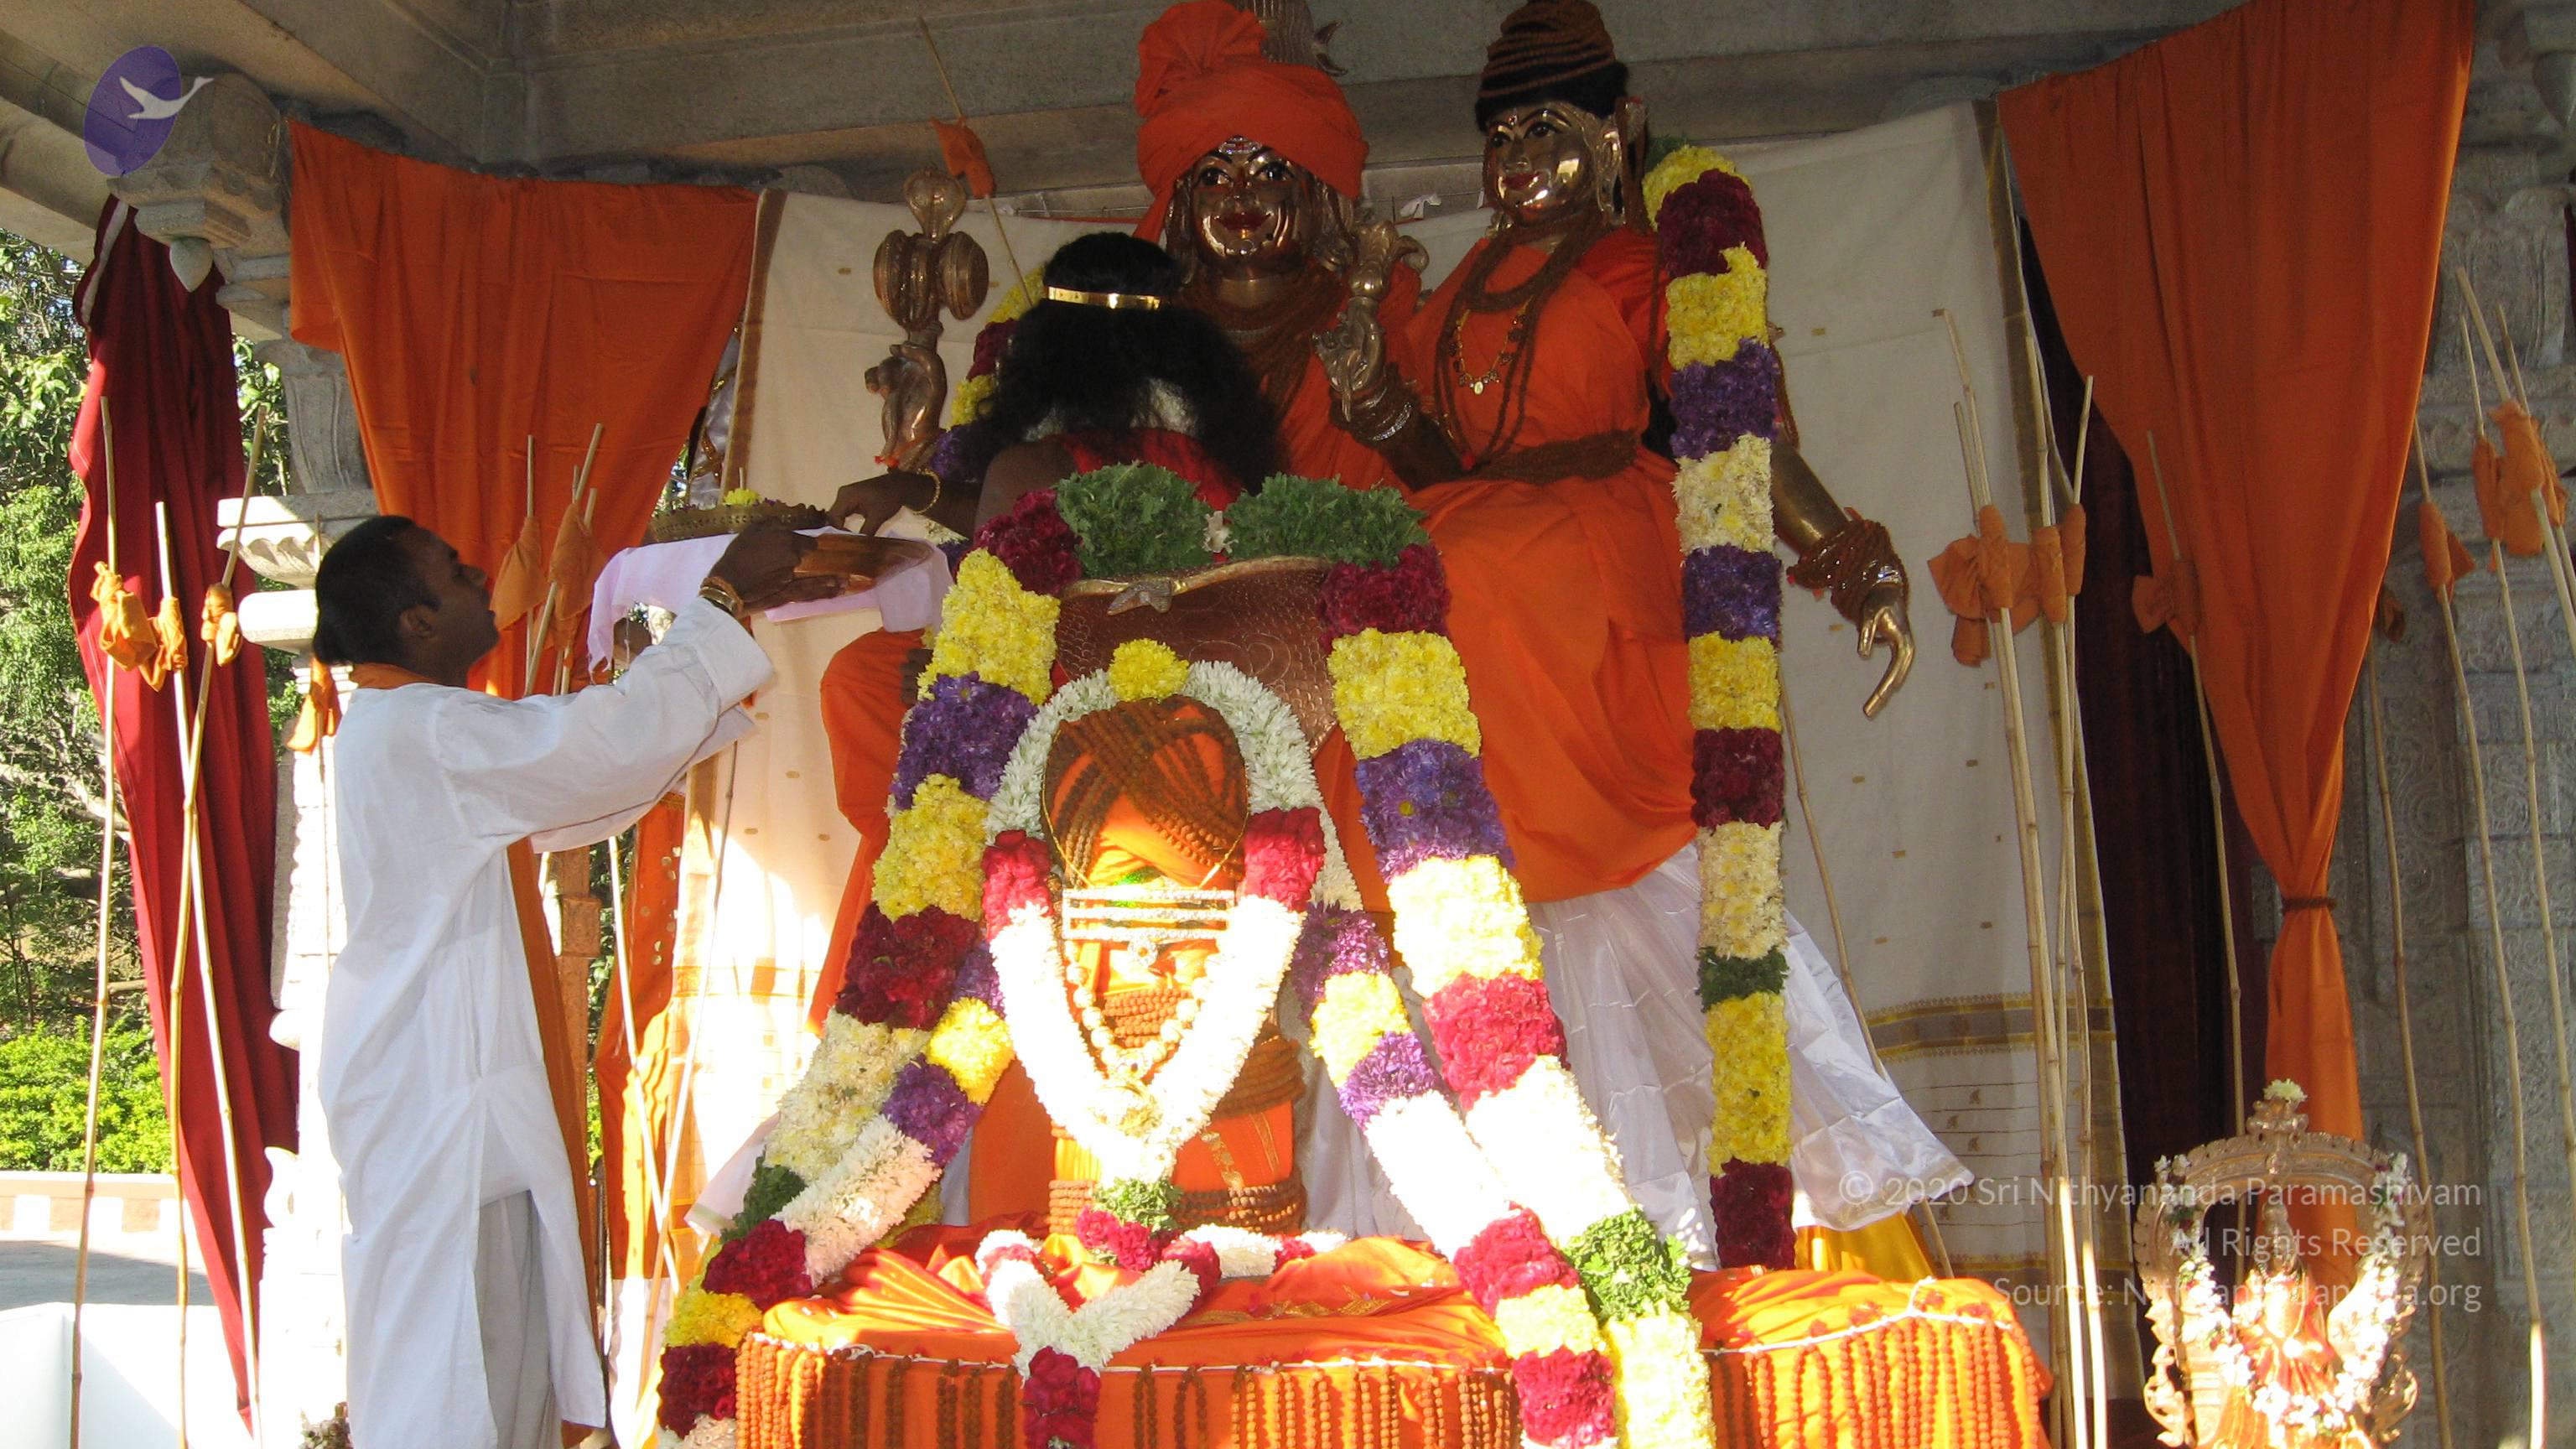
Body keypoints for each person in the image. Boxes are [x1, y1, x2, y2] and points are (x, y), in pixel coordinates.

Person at [806, 234, 1289, 1219]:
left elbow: (992, 638)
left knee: (868, 688)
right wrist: (919, 492)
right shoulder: (1224, 467)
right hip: (1202, 776)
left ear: (1044, 353)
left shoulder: (1027, 462)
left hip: (1065, 785)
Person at [313, 514, 814, 1449]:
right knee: (458, 1370)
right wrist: (722, 598)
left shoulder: (407, 725)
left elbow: (580, 786)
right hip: (442, 1102)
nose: (481, 577)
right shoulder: (425, 727)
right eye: (456, 571)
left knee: (493, 1361)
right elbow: (594, 752)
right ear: (417, 623)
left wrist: (679, 687)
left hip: (444, 1095)